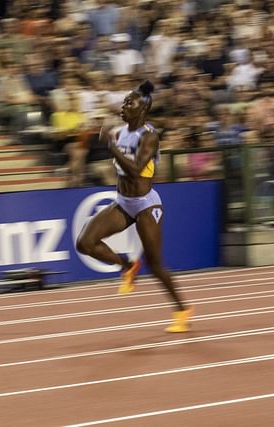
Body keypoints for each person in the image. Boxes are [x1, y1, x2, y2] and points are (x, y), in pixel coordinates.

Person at [76, 80, 193, 333]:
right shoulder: (121, 131)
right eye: (124, 101)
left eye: (130, 102)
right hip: (123, 202)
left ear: (142, 109)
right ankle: (128, 265)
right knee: (85, 243)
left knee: (155, 263)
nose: (124, 105)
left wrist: (112, 147)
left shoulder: (149, 136)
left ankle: (182, 309)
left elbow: (136, 170)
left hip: (145, 205)